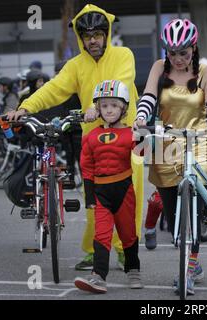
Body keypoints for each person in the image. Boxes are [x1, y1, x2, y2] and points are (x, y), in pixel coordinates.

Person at [5, 4, 144, 273]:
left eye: (97, 34)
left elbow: (122, 82)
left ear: (106, 33)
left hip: (127, 136)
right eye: (87, 35)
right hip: (94, 140)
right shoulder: (75, 65)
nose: (92, 40)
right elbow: (53, 89)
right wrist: (24, 108)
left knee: (129, 197)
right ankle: (95, 251)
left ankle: (126, 250)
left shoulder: (123, 55)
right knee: (93, 196)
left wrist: (96, 103)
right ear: (81, 38)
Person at [134, 18, 207, 295]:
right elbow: (148, 98)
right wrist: (140, 118)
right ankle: (193, 261)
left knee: (194, 213)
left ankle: (188, 271)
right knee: (173, 214)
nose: (177, 58)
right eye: (171, 52)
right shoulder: (158, 67)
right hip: (165, 143)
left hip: (199, 143)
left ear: (194, 47)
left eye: (183, 52)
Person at [74, 80, 142, 293]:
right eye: (104, 106)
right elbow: (86, 167)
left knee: (128, 233)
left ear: (124, 108)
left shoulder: (131, 132)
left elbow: (144, 155)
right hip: (100, 192)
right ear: (97, 109)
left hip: (124, 190)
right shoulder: (90, 136)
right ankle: (98, 276)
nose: (109, 109)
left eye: (114, 105)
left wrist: (143, 133)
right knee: (101, 234)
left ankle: (133, 270)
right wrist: (89, 197)